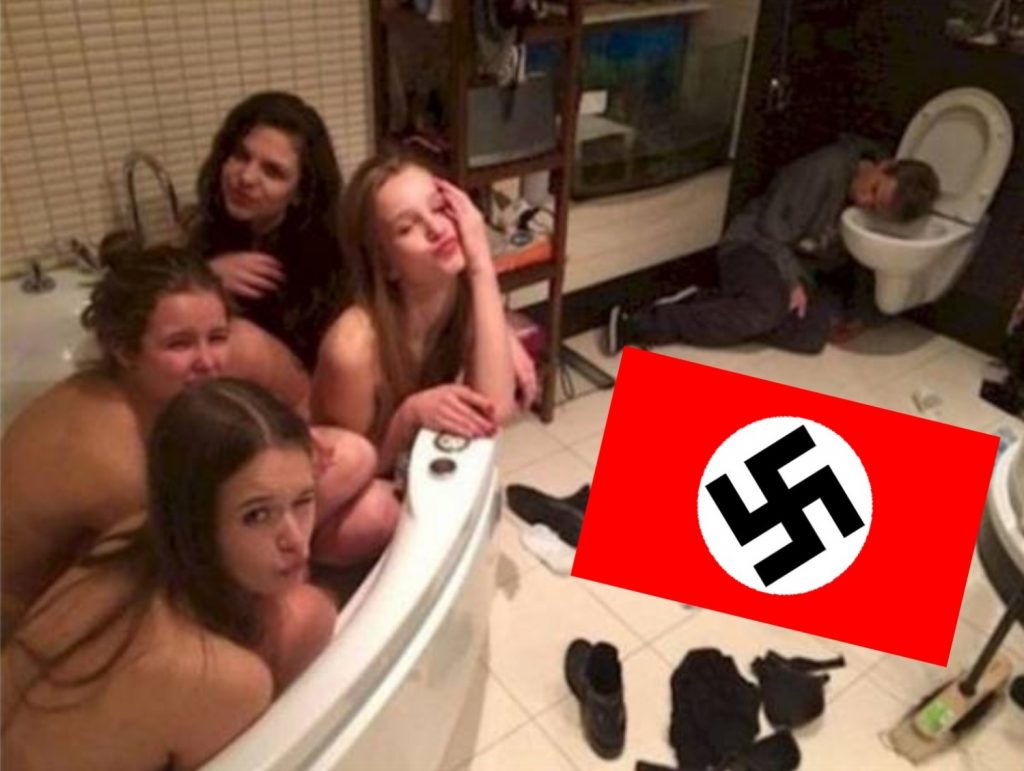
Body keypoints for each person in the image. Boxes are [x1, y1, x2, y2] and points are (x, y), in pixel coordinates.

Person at [1, 379, 337, 770]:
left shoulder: (129, 539)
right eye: (257, 515)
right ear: (196, 523)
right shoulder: (227, 680)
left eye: (303, 500)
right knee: (311, 615)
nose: (295, 541)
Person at [1, 246, 230, 639]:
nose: (208, 361)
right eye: (180, 344)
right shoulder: (111, 458)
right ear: (124, 350)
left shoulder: (126, 391)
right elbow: (203, 575)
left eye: (218, 337)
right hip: (18, 638)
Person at [604, 134, 940, 355]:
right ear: (884, 166)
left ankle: (715, 302)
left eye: (876, 208)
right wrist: (792, 283)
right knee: (763, 312)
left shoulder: (864, 202)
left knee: (811, 335)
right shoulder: (824, 169)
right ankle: (644, 323)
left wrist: (857, 312)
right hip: (755, 244)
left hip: (796, 265)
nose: (865, 202)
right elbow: (772, 231)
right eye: (874, 190)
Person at [311, 153, 517, 474]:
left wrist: (481, 264)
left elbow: (494, 410)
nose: (436, 228)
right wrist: (408, 417)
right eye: (406, 228)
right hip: (349, 486)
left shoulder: (461, 288)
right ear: (386, 265)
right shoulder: (351, 351)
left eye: (439, 207)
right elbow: (347, 478)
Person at [189, 91, 348, 408]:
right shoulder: (212, 228)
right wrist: (205, 278)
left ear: (300, 192)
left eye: (272, 172)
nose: (246, 177)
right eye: (240, 156)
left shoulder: (326, 256)